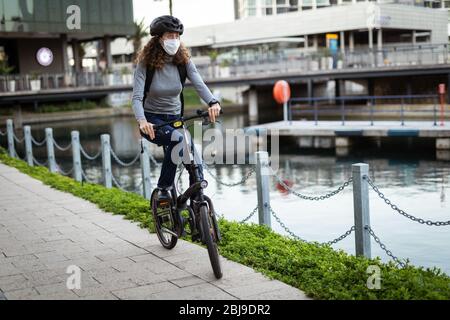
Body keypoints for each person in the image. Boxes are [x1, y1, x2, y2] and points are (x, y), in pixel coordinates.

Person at [132, 15, 221, 200]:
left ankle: (199, 202)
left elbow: (198, 83)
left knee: (195, 160)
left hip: (176, 120)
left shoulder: (183, 61)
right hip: (152, 122)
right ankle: (164, 189)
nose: (174, 40)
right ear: (158, 39)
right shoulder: (145, 64)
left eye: (177, 36)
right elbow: (137, 97)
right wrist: (142, 122)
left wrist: (213, 102)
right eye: (169, 36)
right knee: (177, 141)